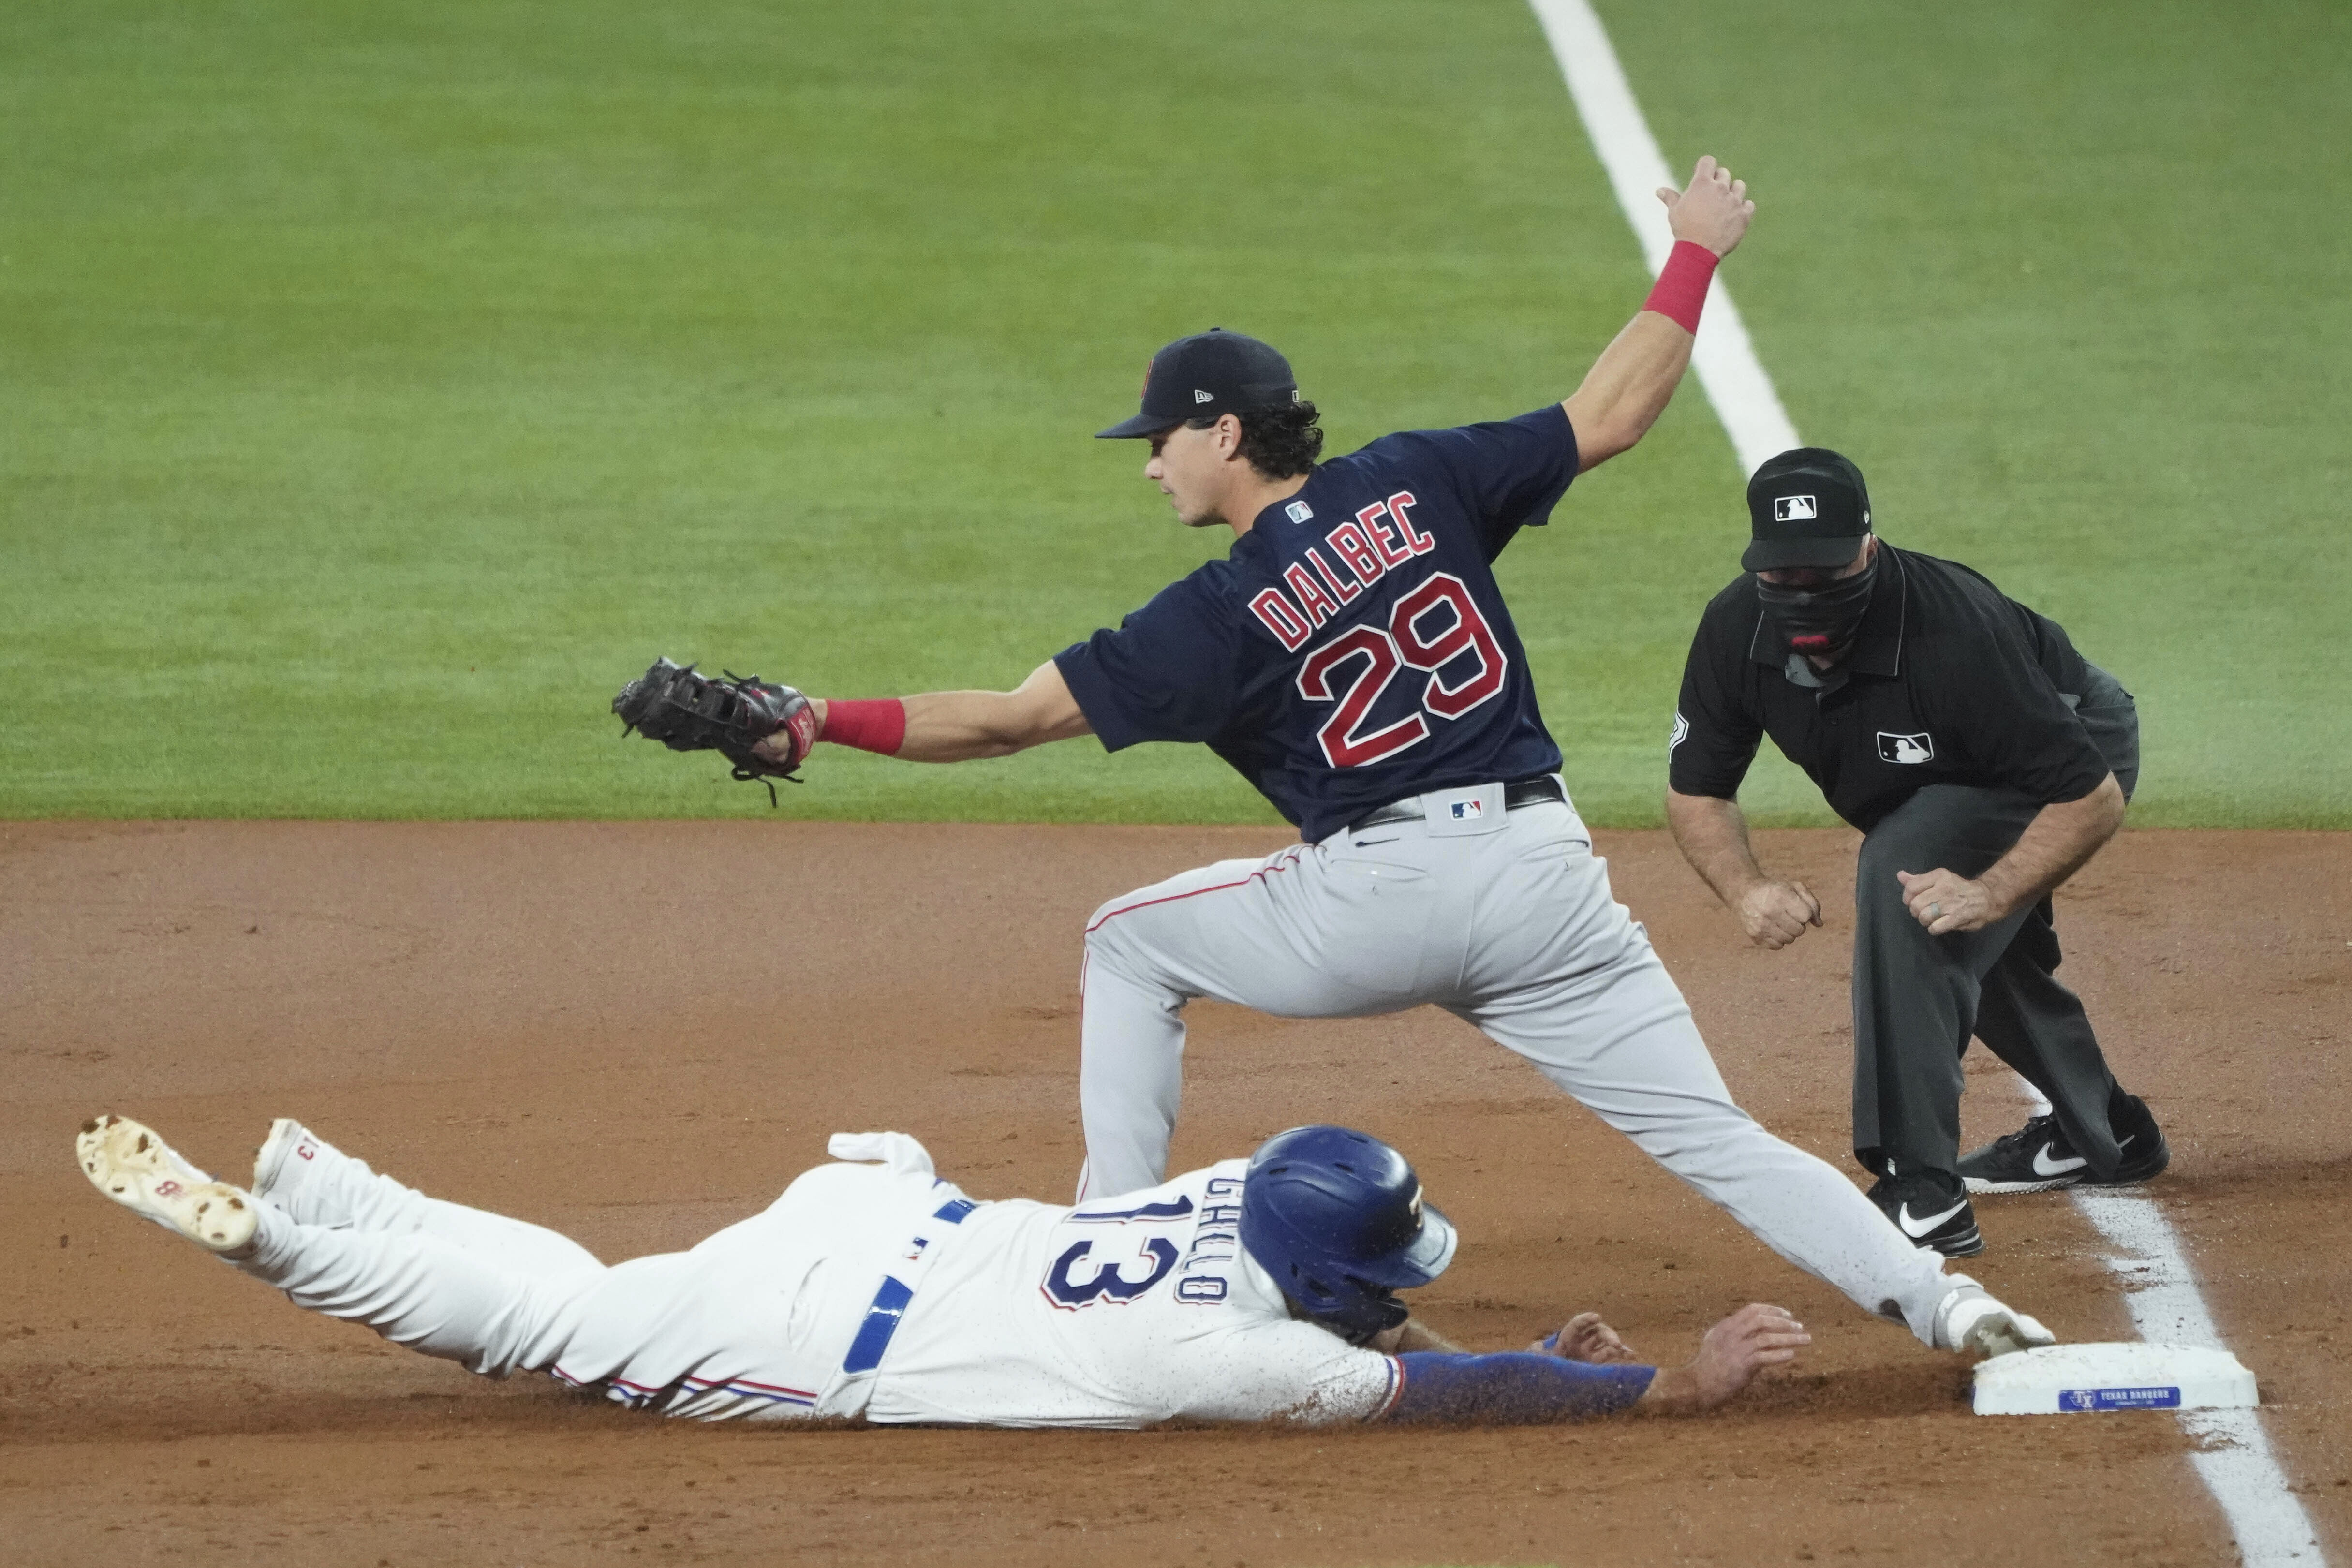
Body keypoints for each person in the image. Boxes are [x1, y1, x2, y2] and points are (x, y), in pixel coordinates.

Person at [711, 157, 2051, 1352]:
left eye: (1160, 439)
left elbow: (1004, 719)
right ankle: (1948, 1302)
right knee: (1717, 1136)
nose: (1147, 466)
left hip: (1378, 901)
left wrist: (823, 719)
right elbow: (1615, 411)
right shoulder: (1417, 479)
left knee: (1129, 940)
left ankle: (1102, 1254)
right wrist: (1694, 247)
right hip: (1546, 882)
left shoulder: (1214, 614)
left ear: (1224, 433)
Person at [76, 1111, 2047, 1430]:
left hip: (872, 1218)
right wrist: (1648, 1385)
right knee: (561, 1332)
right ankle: (293, 1247)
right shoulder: (1235, 1361)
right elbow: (1424, 1388)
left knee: (597, 1277)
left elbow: (1363, 1300)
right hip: (811, 1327)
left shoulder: (1238, 1190)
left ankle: (327, 1186)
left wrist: (1493, 1319)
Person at [1664, 448, 2168, 1258]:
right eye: (1785, 575)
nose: (1805, 593)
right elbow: (1698, 792)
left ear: (1868, 546)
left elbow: (2090, 793)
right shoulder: (1735, 630)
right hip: (1935, 782)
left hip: (2061, 748)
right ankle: (2105, 1127)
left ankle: (1922, 1189)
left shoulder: (1951, 628)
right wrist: (1745, 888)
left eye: (1825, 572)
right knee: (1955, 924)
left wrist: (1996, 890)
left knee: (1908, 883)